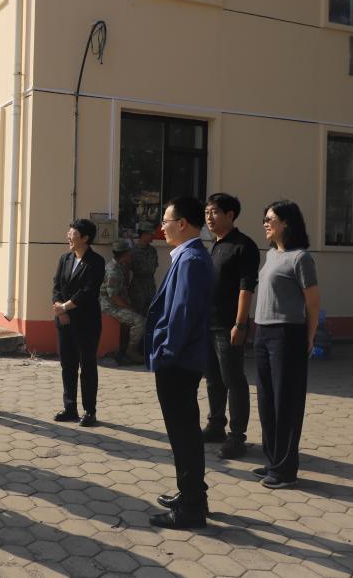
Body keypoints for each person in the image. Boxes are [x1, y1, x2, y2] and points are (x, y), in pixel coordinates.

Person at [147, 197, 214, 531]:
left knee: (183, 433)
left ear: (183, 223)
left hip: (178, 361)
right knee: (184, 431)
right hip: (182, 358)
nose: (162, 226)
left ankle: (191, 509)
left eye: (166, 220)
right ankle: (192, 494)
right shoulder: (189, 256)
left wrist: (166, 352)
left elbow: (182, 313)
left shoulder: (191, 259)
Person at [253, 200, 320, 490]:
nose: (265, 224)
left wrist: (309, 336)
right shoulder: (270, 255)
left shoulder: (300, 258)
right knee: (267, 401)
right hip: (263, 333)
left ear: (286, 223)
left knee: (286, 403)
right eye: (265, 219)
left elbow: (313, 303)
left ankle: (286, 470)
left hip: (287, 335)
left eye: (270, 219)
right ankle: (273, 461)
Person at [203, 193, 260, 459]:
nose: (209, 218)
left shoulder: (243, 246)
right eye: (207, 212)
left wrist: (240, 323)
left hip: (229, 326)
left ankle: (237, 437)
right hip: (209, 324)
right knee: (213, 379)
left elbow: (246, 288)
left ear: (230, 215)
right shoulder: (214, 246)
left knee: (233, 380)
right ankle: (216, 425)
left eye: (214, 212)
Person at [51, 219, 106, 426]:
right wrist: (59, 308)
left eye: (72, 234)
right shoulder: (65, 258)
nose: (68, 236)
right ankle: (70, 408)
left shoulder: (96, 261)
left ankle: (89, 411)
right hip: (64, 321)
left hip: (86, 323)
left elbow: (89, 291)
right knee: (68, 365)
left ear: (85, 238)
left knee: (87, 366)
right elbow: (56, 286)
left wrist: (65, 307)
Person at [100, 242, 145, 364]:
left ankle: (126, 349)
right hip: (109, 306)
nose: (131, 256)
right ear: (124, 255)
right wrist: (128, 307)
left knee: (138, 314)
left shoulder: (120, 266)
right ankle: (131, 351)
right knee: (139, 321)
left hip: (116, 303)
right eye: (129, 253)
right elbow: (113, 296)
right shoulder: (113, 270)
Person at [130, 223, 159, 315]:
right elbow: (128, 269)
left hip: (150, 284)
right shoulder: (133, 251)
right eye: (150, 234)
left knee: (151, 312)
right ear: (143, 234)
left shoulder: (152, 250)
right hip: (138, 286)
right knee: (138, 313)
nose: (152, 236)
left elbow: (154, 266)